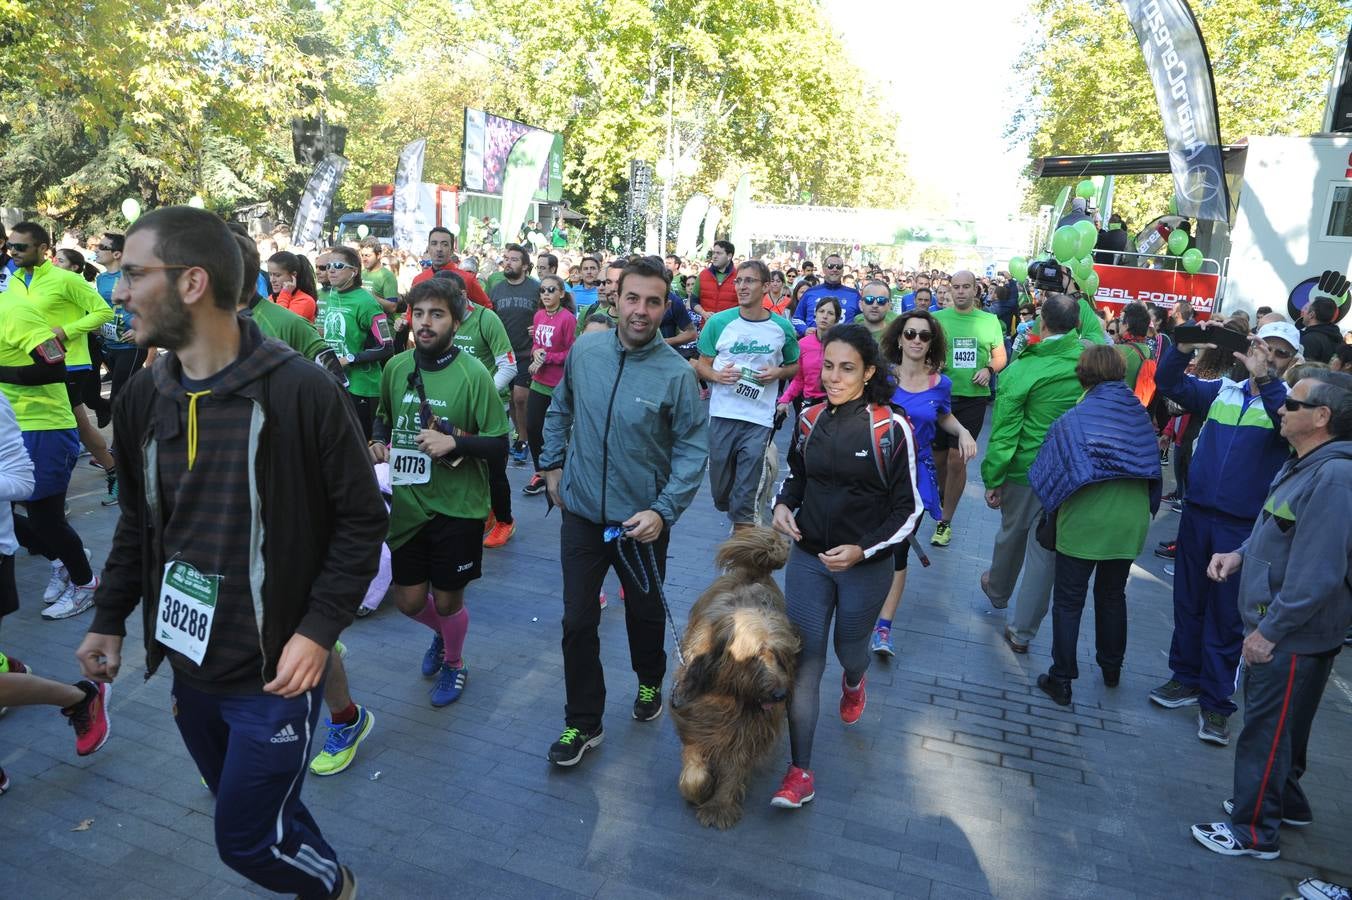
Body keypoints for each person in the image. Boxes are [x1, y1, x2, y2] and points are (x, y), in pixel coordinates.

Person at [76, 206, 384, 899]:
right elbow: (137, 522)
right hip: (191, 667)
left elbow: (362, 520)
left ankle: (336, 888)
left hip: (275, 672)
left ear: (191, 282)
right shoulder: (140, 399)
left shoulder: (300, 389)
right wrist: (109, 617)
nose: (116, 291)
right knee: (266, 814)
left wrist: (318, 629)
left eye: (130, 273)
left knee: (242, 840)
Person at [538, 256, 708, 766]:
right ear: (616, 298)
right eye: (632, 298)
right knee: (576, 620)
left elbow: (692, 450)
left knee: (644, 612)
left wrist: (664, 510)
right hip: (583, 515)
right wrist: (550, 468)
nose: (641, 310)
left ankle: (651, 679)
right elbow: (561, 408)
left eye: (653, 302)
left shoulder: (676, 375)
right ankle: (582, 723)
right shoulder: (586, 351)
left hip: (642, 524)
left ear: (665, 306)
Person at [1189, 370, 1352, 861]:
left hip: (1290, 638)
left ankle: (1254, 830)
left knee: (1265, 731)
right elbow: (1277, 531)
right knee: (1285, 728)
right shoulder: (1308, 464)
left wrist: (1269, 633)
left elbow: (1318, 574)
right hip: (1288, 632)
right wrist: (1239, 554)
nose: (1281, 409)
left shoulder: (1333, 476)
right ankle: (1284, 802)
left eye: (1294, 405)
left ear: (1321, 418)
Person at [769, 323, 922, 809]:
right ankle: (800, 772)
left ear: (870, 371)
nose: (833, 377)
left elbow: (910, 510)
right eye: (828, 366)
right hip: (809, 560)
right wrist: (781, 505)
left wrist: (863, 550)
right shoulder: (810, 418)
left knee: (848, 649)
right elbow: (797, 477)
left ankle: (855, 681)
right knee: (805, 662)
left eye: (846, 369)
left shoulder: (889, 428)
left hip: (864, 567)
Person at [1148, 320, 1298, 746]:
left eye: (1280, 353)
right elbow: (1167, 381)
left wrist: (1266, 377)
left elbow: (1282, 424)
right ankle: (1185, 679)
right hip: (1198, 516)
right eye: (1264, 347)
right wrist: (1183, 345)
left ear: (1292, 362)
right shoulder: (1223, 392)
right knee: (1189, 603)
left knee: (1227, 617)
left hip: (1241, 527)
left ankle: (1216, 704)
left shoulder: (1287, 403)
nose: (1268, 356)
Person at [370, 277, 510, 708]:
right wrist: (377, 440)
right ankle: (442, 635)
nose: (425, 323)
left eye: (437, 314)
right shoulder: (397, 367)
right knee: (410, 601)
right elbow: (382, 416)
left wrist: (456, 443)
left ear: (456, 320)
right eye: (419, 313)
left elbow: (500, 444)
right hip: (409, 504)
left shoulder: (474, 375)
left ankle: (455, 661)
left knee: (448, 601)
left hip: (459, 507)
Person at [1028, 346, 1162, 705]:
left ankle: (1062, 678)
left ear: (1082, 374)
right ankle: (1111, 668)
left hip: (1085, 519)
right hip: (1129, 520)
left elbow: (1049, 469)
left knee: (1069, 600)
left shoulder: (1075, 417)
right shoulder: (1139, 415)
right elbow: (1154, 469)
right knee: (1112, 595)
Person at [979, 293, 1084, 652]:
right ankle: (1022, 632)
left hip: (1026, 469)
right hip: (1070, 474)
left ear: (1042, 321)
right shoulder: (1090, 362)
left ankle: (997, 591)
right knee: (1046, 552)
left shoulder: (1024, 368)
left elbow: (1006, 430)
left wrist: (993, 477)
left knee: (1012, 534)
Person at [869, 311, 976, 656]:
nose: (916, 340)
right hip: (877, 471)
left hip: (916, 478)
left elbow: (942, 414)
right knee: (871, 541)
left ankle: (883, 628)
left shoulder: (940, 383)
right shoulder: (881, 378)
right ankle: (861, 603)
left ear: (932, 343)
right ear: (898, 338)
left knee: (898, 548)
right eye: (910, 333)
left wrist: (962, 432)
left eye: (924, 336)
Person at [2, 222, 117, 496]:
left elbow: (103, 313)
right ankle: (112, 472)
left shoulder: (67, 279)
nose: (13, 252)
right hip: (30, 367)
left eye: (21, 247)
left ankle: (111, 475)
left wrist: (64, 332)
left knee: (76, 423)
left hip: (69, 363)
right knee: (77, 424)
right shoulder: (12, 281)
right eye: (10, 246)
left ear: (43, 249)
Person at [694, 260, 800, 530]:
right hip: (723, 414)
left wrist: (776, 373)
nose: (741, 286)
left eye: (749, 281)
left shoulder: (781, 328)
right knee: (721, 491)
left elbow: (795, 366)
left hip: (759, 419)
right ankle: (736, 511)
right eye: (739, 281)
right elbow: (701, 363)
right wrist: (717, 376)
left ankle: (742, 537)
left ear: (765, 286)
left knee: (745, 493)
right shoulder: (719, 322)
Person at [931, 270, 1007, 547]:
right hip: (941, 397)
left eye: (966, 287)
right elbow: (926, 352)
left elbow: (1000, 357)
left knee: (956, 459)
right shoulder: (937, 319)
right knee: (938, 459)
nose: (961, 291)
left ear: (976, 290)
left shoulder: (989, 321)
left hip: (973, 399)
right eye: (956, 287)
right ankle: (942, 491)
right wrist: (934, 364)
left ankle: (945, 522)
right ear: (949, 290)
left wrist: (989, 369)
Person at [319, 245, 393, 439]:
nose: (331, 270)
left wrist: (349, 359)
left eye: (338, 265)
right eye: (328, 266)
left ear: (354, 271)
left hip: (363, 388)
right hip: (336, 382)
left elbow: (387, 346)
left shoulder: (367, 302)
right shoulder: (333, 294)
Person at [523, 274, 577, 495]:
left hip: (559, 384)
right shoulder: (538, 316)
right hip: (539, 381)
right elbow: (537, 343)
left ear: (561, 294)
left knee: (558, 430)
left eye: (551, 290)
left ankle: (561, 471)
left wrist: (547, 358)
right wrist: (536, 355)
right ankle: (541, 472)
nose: (546, 294)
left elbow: (572, 351)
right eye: (543, 290)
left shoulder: (568, 319)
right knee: (533, 427)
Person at [488, 243, 541, 467]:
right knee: (511, 399)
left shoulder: (536, 288)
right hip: (501, 353)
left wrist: (537, 327)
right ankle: (518, 433)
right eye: (506, 258)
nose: (508, 262)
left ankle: (523, 440)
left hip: (525, 352)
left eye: (514, 259)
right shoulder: (497, 288)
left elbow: (548, 314)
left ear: (526, 266)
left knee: (521, 398)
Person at [776, 297, 839, 454]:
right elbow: (799, 380)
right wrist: (784, 400)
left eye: (830, 313)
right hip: (810, 404)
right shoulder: (803, 344)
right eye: (821, 311)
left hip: (835, 405)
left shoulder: (842, 345)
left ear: (837, 319)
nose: (825, 316)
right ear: (815, 315)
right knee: (801, 450)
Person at [792, 253, 862, 334]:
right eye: (830, 266)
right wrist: (804, 329)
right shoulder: (810, 292)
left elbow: (863, 319)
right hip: (814, 343)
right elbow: (797, 318)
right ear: (824, 269)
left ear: (843, 271)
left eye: (838, 267)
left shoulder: (854, 295)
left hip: (843, 344)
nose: (834, 269)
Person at [689, 240, 738, 318]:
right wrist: (703, 313)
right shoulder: (703, 275)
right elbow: (693, 302)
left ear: (729, 256)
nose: (714, 256)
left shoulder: (739, 276)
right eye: (713, 253)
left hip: (730, 327)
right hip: (707, 326)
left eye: (719, 253)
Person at [266, 251, 319, 323]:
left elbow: (280, 325)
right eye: (270, 274)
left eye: (277, 275)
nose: (272, 280)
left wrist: (285, 294)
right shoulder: (271, 298)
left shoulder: (305, 301)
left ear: (293, 275)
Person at [1298, 297, 1341, 364]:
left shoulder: (1310, 340)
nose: (1303, 312)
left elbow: (1301, 371)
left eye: (1306, 309)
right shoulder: (1337, 338)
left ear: (1311, 315)